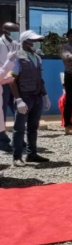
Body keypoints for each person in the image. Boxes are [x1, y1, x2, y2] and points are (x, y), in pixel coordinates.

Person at [10, 30, 51, 167]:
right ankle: (17, 157)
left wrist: (45, 95)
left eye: (36, 40)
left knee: (33, 127)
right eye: (32, 40)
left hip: (37, 96)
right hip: (24, 97)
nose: (35, 43)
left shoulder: (37, 57)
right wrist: (18, 100)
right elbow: (12, 80)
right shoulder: (17, 57)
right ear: (24, 41)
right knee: (19, 128)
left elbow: (40, 79)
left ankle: (32, 154)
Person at [0, 22, 19, 152]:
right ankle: (2, 139)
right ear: (5, 31)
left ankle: (17, 137)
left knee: (18, 108)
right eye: (14, 31)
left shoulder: (15, 43)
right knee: (1, 111)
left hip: (13, 80)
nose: (16, 33)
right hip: (3, 81)